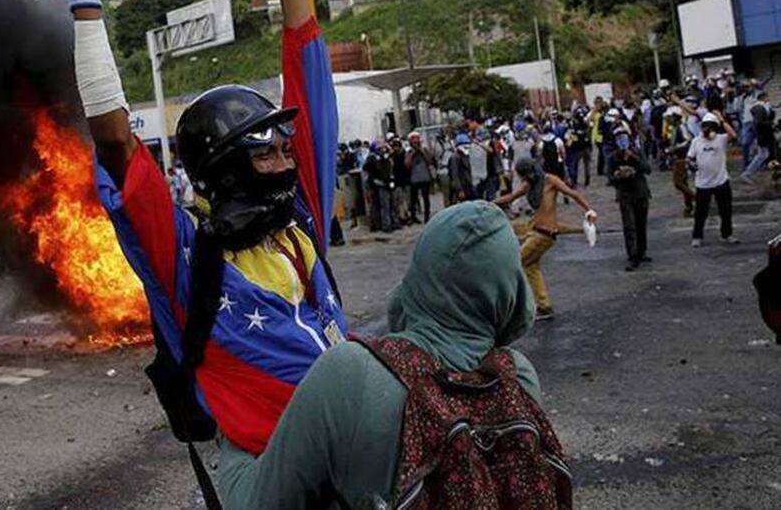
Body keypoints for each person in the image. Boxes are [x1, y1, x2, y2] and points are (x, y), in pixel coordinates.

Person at [58, 0, 348, 466]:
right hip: (270, 464)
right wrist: (86, 5)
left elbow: (312, 93)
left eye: (286, 151)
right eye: (267, 154)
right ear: (225, 169)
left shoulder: (298, 222)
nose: (287, 164)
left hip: (348, 440)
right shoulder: (188, 255)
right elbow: (117, 144)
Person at [217, 203, 569, 509]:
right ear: (510, 290)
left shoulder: (349, 374)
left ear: (419, 275)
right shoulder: (517, 379)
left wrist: (230, 428)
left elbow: (255, 503)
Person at [495, 157, 598, 320]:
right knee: (530, 267)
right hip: (536, 231)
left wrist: (590, 211)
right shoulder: (530, 183)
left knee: (515, 264)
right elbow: (511, 197)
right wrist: (487, 203)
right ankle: (544, 306)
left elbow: (573, 194)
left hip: (544, 234)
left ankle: (511, 307)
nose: (524, 179)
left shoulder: (550, 180)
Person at [686, 112, 739, 247]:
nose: (707, 130)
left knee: (725, 211)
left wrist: (722, 120)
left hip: (721, 181)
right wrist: (691, 165)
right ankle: (697, 236)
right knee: (700, 213)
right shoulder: (696, 141)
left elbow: (733, 135)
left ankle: (727, 234)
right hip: (703, 184)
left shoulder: (720, 139)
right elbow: (689, 158)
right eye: (705, 127)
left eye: (711, 127)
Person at [607, 127, 651, 271]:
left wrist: (633, 159)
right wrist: (619, 176)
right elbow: (610, 179)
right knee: (629, 226)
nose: (622, 141)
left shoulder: (637, 152)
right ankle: (632, 256)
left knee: (641, 224)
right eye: (619, 139)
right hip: (625, 195)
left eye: (624, 138)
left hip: (640, 193)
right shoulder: (613, 158)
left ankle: (642, 251)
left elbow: (647, 169)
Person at [741, 91, 776, 183]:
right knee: (762, 155)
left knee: (765, 154)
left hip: (765, 135)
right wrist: (770, 125)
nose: (768, 100)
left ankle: (748, 173)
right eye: (767, 98)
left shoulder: (763, 107)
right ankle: (747, 174)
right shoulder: (759, 108)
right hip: (763, 135)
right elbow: (759, 122)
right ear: (763, 98)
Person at [405, 132, 435, 222]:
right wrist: (413, 153)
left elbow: (430, 161)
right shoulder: (409, 152)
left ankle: (427, 216)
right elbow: (407, 165)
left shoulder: (424, 150)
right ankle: (413, 216)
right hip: (414, 179)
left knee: (426, 198)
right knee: (413, 199)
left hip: (425, 177)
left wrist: (422, 151)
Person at [449, 133, 475, 202]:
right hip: (463, 187)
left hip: (469, 186)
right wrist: (459, 190)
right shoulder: (455, 157)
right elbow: (455, 175)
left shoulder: (466, 155)